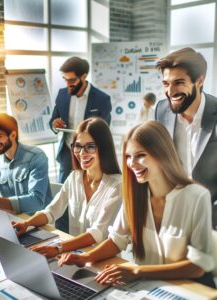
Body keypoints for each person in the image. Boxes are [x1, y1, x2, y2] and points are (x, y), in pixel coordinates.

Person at [58, 121, 215, 288]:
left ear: (161, 153)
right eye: (128, 157)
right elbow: (116, 241)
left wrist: (137, 272)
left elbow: (197, 267)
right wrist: (86, 257)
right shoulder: (134, 194)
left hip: (187, 289)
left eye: (140, 155)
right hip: (144, 288)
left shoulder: (196, 196)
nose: (132, 163)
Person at [13, 117, 122, 258]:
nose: (82, 153)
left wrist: (59, 248)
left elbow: (97, 233)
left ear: (104, 148)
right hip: (71, 254)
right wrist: (26, 224)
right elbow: (51, 212)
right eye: (78, 146)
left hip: (101, 260)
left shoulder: (117, 186)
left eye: (90, 146)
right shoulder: (74, 177)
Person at [155, 47, 217, 230]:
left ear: (199, 81)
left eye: (178, 83)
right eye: (166, 83)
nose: (170, 92)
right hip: (172, 217)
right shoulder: (161, 110)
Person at [49, 56, 112, 232]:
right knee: (63, 202)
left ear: (83, 76)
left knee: (90, 200)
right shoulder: (62, 95)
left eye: (72, 80)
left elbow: (103, 132)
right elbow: (52, 120)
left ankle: (89, 236)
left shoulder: (101, 99)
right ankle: (63, 235)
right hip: (67, 156)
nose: (68, 83)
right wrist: (55, 124)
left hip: (91, 157)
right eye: (65, 79)